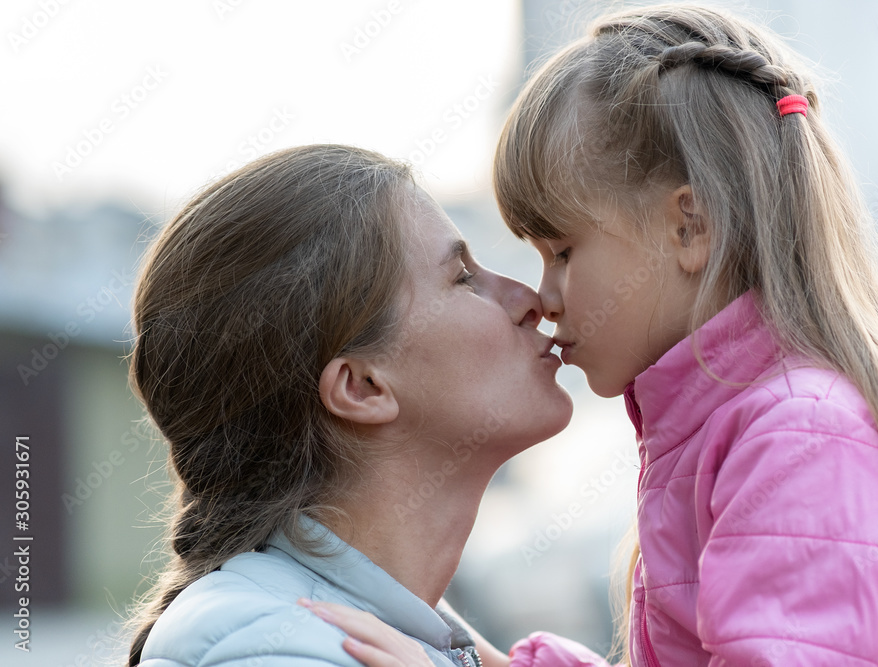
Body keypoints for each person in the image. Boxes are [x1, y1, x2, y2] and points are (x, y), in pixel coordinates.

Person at [319, 3, 878, 665]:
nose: (544, 296)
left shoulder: (796, 437)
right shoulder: (738, 424)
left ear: (688, 228)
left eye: (561, 251)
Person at [122, 144, 571, 666]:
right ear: (362, 387)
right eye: (463, 279)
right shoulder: (272, 650)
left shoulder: (386, 634)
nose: (531, 300)